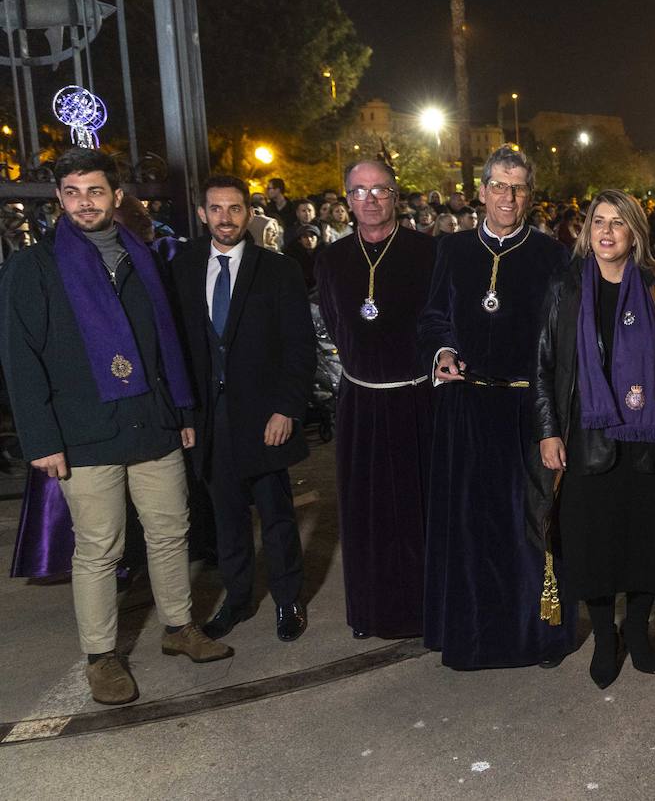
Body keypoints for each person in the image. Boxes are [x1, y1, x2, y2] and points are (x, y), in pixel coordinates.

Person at [0, 148, 231, 706]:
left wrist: (180, 413)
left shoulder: (141, 256)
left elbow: (166, 341)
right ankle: (102, 657)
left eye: (95, 191)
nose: (85, 203)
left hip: (152, 421)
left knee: (171, 530)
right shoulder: (34, 267)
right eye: (73, 193)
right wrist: (42, 440)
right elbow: (19, 357)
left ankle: (179, 628)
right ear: (59, 200)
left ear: (117, 197)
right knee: (100, 548)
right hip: (84, 431)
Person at [530, 190, 655, 688]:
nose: (606, 232)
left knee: (647, 539)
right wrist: (548, 432)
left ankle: (637, 627)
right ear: (587, 232)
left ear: (635, 233)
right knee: (595, 544)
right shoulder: (565, 288)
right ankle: (606, 638)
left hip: (649, 436)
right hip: (585, 438)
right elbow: (545, 368)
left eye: (617, 223)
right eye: (597, 223)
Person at [418, 145, 575, 670]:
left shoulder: (552, 255)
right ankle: (472, 635)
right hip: (467, 409)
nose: (508, 197)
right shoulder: (454, 250)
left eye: (519, 187)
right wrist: (442, 350)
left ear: (530, 195)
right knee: (470, 525)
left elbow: (562, 341)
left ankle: (541, 635)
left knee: (531, 524)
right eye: (499, 186)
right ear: (482, 191)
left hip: (529, 410)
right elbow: (435, 315)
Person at [170, 175, 315, 643]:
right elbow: (178, 349)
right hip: (211, 420)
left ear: (249, 214)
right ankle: (236, 600)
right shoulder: (184, 267)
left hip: (265, 417)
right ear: (202, 214)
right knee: (227, 517)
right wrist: (187, 416)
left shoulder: (278, 269)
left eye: (235, 209)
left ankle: (288, 600)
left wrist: (287, 409)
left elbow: (299, 348)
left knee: (276, 516)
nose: (226, 218)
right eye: (216, 209)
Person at [315, 160, 435, 639]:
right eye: (359, 191)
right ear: (347, 200)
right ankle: (371, 610)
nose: (370, 199)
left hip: (417, 398)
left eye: (379, 189)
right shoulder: (331, 259)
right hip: (361, 402)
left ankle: (427, 610)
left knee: (419, 510)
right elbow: (334, 323)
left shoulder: (428, 253)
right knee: (366, 515)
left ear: (395, 195)